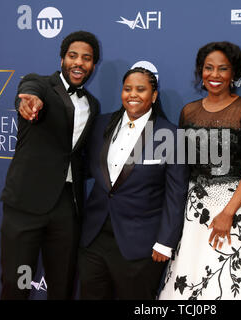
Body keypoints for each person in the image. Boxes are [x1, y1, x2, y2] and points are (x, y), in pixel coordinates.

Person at [159, 42, 241, 300]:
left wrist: (227, 212)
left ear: (234, 73)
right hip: (196, 209)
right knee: (192, 274)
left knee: (236, 280)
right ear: (201, 71)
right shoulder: (188, 111)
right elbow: (183, 168)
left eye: (223, 69)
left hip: (236, 206)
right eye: (209, 68)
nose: (215, 75)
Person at [0, 31, 101, 299]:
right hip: (26, 206)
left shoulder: (92, 105)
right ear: (62, 59)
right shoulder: (40, 84)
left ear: (93, 65)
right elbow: (28, 92)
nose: (79, 62)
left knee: (62, 284)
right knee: (17, 283)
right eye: (73, 56)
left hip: (67, 207)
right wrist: (30, 102)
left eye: (87, 58)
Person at [78, 67, 189, 300]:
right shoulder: (100, 124)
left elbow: (176, 193)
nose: (133, 94)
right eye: (127, 89)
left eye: (141, 89)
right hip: (94, 237)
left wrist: (165, 242)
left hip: (141, 244)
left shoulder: (170, 135)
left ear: (154, 95)